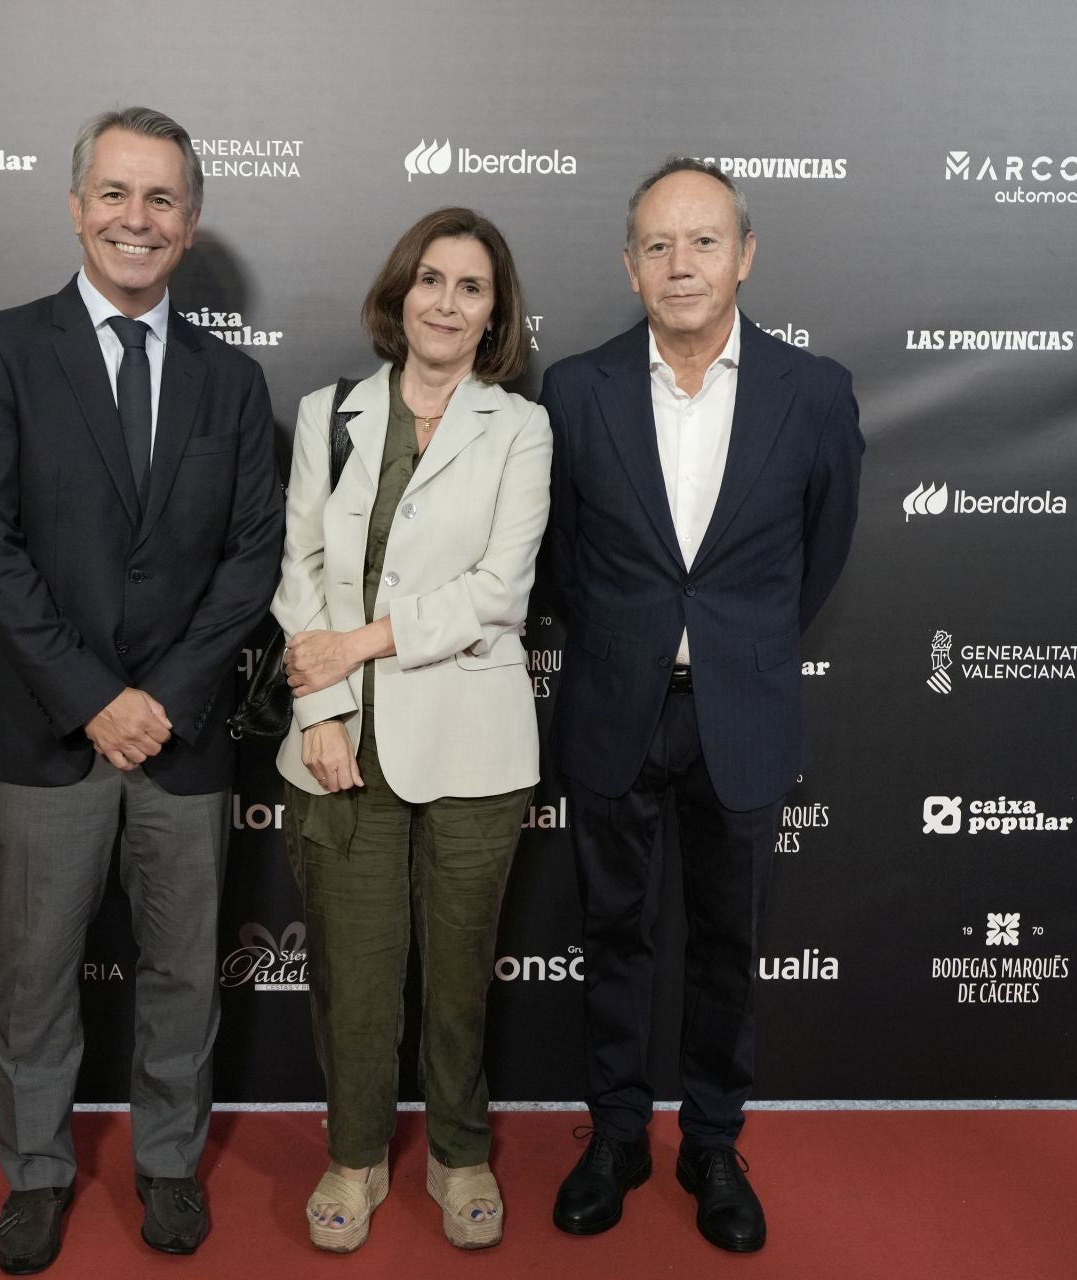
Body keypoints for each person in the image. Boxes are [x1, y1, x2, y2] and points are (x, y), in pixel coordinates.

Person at [0, 105, 283, 1273]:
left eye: (163, 199)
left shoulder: (232, 383)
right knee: (33, 967)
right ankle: (36, 1172)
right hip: (46, 729)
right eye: (117, 194)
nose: (139, 219)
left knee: (185, 968)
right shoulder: (0, 349)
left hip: (181, 736)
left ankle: (170, 1163)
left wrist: (166, 696)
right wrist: (94, 695)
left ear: (191, 221)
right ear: (77, 204)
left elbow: (251, 559)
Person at [541, 159, 862, 1253]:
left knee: (730, 943)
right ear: (630, 265)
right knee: (613, 932)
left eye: (705, 241)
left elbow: (817, 561)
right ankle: (618, 1132)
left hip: (743, 710)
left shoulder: (813, 392)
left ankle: (715, 1140)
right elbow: (560, 563)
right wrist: (636, 642)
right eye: (659, 246)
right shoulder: (576, 390)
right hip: (613, 704)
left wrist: (737, 646)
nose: (683, 265)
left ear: (747, 254)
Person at [271, 207, 551, 1252]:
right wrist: (322, 704)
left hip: (476, 741)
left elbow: (498, 594)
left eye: (470, 286)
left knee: (458, 971)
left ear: (494, 313)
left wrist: (363, 642)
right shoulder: (328, 412)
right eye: (429, 279)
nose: (445, 301)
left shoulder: (520, 426)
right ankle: (352, 1156)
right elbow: (296, 574)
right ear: (400, 295)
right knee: (352, 967)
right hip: (340, 744)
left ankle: (459, 1149)